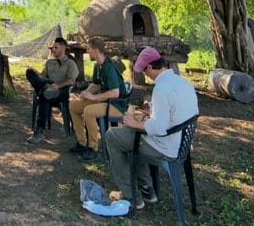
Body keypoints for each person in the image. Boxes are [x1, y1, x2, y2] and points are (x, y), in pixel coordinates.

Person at [104, 47, 199, 210]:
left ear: (149, 67)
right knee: (132, 137)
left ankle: (131, 196)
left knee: (113, 136)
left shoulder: (161, 89)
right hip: (182, 143)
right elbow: (177, 113)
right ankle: (147, 189)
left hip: (166, 147)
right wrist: (152, 113)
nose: (146, 75)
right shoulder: (183, 82)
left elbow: (159, 128)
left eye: (145, 71)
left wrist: (134, 123)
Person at [69, 37, 126, 162]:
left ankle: (93, 148)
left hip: (117, 105)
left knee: (89, 111)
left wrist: (94, 97)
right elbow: (96, 84)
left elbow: (115, 93)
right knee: (73, 105)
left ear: (96, 50)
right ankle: (81, 143)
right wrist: (86, 92)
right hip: (105, 101)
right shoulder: (97, 66)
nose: (87, 51)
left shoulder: (109, 67)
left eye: (89, 49)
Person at [25, 37, 79, 144]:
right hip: (48, 86)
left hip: (61, 91)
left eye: (55, 47)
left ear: (63, 48)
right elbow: (42, 77)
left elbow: (71, 81)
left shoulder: (70, 63)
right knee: (30, 72)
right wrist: (43, 81)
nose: (53, 50)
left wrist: (58, 85)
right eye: (52, 48)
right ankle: (45, 90)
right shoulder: (50, 62)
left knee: (44, 96)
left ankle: (39, 131)